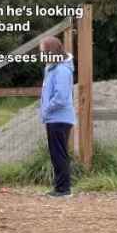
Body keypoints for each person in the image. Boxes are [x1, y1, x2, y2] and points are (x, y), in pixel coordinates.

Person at [39, 36, 76, 197]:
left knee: (59, 153)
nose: (41, 55)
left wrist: (47, 109)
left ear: (50, 51)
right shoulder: (53, 68)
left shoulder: (61, 70)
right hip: (55, 118)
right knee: (57, 153)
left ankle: (63, 189)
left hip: (59, 117)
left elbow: (61, 97)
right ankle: (60, 187)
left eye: (43, 52)